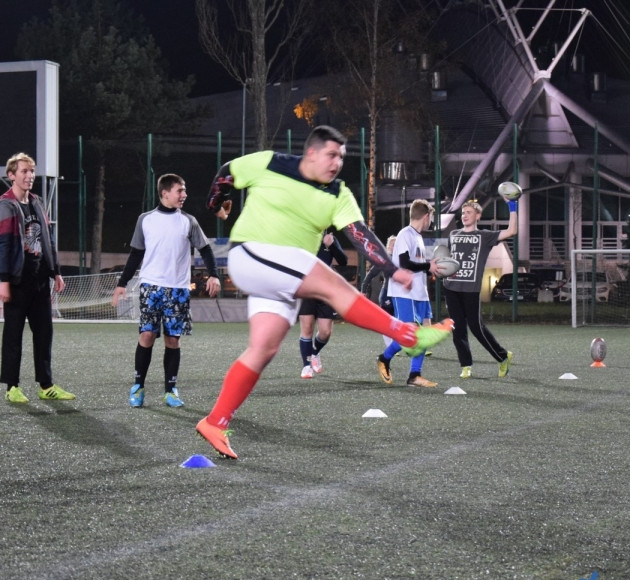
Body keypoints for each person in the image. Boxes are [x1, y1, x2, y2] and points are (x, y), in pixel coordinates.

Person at [194, 125, 453, 459]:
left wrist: (390, 268)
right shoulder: (270, 163)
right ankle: (407, 335)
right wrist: (217, 202)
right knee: (331, 283)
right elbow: (227, 173)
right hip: (252, 255)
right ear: (312, 153)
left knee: (263, 348)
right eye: (331, 155)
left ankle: (215, 421)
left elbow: (359, 233)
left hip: (280, 279)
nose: (337, 163)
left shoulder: (338, 193)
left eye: (342, 157)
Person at [111, 173, 221, 408]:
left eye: (184, 190)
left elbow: (206, 249)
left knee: (173, 340)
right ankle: (138, 387)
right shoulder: (145, 219)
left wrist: (214, 274)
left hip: (178, 290)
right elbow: (136, 254)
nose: (184, 195)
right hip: (150, 287)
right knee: (147, 335)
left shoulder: (188, 221)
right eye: (180, 190)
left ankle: (170, 390)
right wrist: (122, 283)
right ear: (165, 193)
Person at [0, 152, 75, 403]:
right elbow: (4, 245)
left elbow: (48, 240)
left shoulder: (38, 202)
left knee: (44, 334)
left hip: (40, 281)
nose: (29, 176)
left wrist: (56, 272)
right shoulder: (5, 206)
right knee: (13, 335)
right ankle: (12, 387)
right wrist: (4, 280)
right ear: (11, 176)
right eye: (24, 172)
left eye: (31, 171)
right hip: (18, 282)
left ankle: (46, 385)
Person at [442, 196, 518, 378]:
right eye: (463, 213)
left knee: (476, 327)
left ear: (478, 215)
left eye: (469, 212)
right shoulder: (454, 235)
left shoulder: (485, 236)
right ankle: (465, 365)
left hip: (471, 289)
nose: (465, 215)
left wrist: (512, 206)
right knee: (457, 328)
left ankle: (502, 357)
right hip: (451, 287)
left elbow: (511, 231)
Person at [377, 199, 448, 388]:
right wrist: (428, 265)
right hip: (404, 292)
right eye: (431, 217)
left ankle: (414, 375)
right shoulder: (404, 235)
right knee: (409, 334)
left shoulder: (418, 237)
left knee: (424, 334)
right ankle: (384, 358)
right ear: (425, 216)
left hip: (420, 293)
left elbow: (418, 266)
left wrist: (434, 269)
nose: (431, 222)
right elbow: (405, 263)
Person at [298, 230, 348, 379]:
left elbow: (343, 261)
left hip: (326, 289)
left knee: (325, 332)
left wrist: (331, 245)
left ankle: (314, 352)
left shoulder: (330, 238)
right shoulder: (303, 237)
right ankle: (306, 366)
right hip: (306, 288)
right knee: (307, 328)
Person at [360, 235, 397, 347]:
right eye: (391, 244)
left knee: (400, 322)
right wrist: (363, 289)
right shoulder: (383, 260)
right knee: (387, 322)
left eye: (396, 244)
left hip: (400, 295)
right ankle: (389, 346)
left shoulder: (402, 259)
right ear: (387, 247)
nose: (394, 246)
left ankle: (402, 345)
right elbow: (370, 275)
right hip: (387, 294)